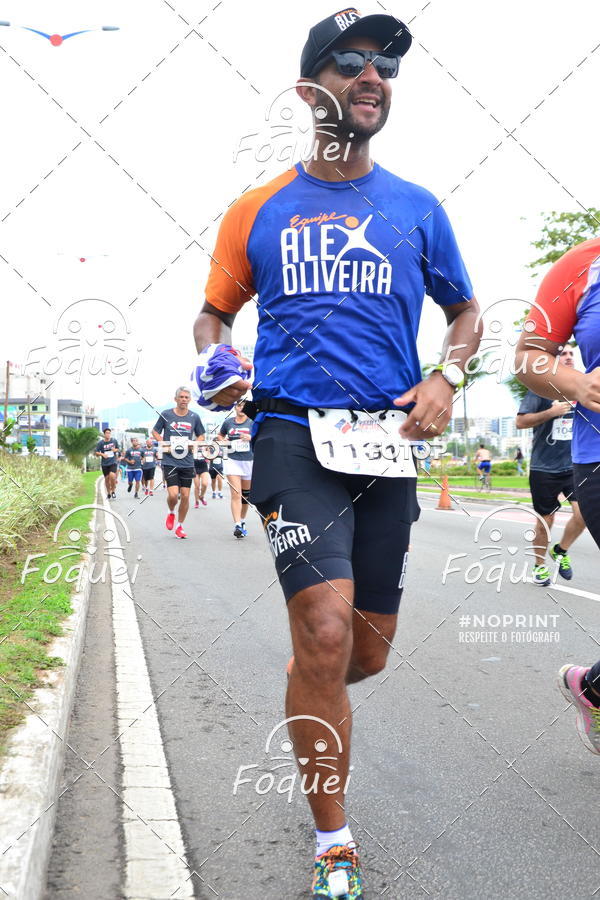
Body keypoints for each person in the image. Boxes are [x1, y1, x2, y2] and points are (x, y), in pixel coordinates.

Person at [191, 10, 481, 897]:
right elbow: (215, 315)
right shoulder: (257, 208)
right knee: (323, 631)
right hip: (290, 438)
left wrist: (448, 377)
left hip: (385, 445)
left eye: (386, 66)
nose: (372, 76)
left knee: (364, 654)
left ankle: (308, 679)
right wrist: (218, 360)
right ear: (309, 87)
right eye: (351, 61)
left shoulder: (418, 208)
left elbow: (467, 314)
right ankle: (336, 846)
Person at [515, 237, 600, 754]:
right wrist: (575, 386)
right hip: (587, 458)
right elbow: (527, 359)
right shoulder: (582, 264)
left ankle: (591, 687)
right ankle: (544, 561)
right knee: (544, 517)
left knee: (569, 518)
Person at [516, 345, 586, 585]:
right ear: (554, 361)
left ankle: (561, 550)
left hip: (574, 465)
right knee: (546, 519)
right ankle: (539, 566)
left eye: (571, 354)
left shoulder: (582, 387)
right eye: (563, 354)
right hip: (543, 467)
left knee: (584, 513)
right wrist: (552, 412)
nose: (568, 357)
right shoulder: (541, 388)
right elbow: (520, 421)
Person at [152, 387, 205, 539]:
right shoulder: (166, 414)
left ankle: (180, 526)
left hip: (187, 461)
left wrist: (193, 443)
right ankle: (171, 512)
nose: (184, 399)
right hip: (170, 460)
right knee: (174, 495)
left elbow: (201, 435)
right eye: (181, 397)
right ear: (175, 399)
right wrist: (163, 443)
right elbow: (155, 431)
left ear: (189, 400)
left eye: (186, 397)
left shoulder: (194, 417)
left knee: (186, 496)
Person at [218, 400, 254, 537]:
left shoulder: (252, 422)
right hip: (232, 460)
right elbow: (220, 435)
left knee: (246, 496)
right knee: (236, 494)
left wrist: (250, 437)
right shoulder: (228, 423)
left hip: (249, 461)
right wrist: (223, 440)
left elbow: (260, 436)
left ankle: (243, 520)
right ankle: (237, 525)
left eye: (244, 406)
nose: (241, 408)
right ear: (235, 407)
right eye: (239, 405)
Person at [95, 427, 119, 499]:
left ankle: (113, 491)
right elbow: (96, 452)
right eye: (107, 433)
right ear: (104, 434)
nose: (108, 434)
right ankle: (108, 493)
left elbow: (118, 448)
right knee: (107, 479)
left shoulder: (114, 441)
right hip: (105, 464)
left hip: (113, 462)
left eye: (109, 433)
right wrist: (102, 455)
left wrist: (115, 450)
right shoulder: (101, 443)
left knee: (112, 476)